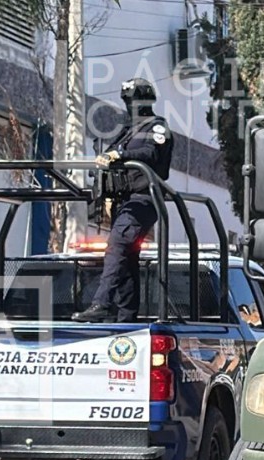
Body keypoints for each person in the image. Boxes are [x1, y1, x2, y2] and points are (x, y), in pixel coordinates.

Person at [73, 78, 174, 323]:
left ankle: (101, 303)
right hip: (124, 203)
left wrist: (121, 154)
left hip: (143, 201)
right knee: (127, 261)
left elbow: (150, 154)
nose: (131, 105)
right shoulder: (126, 132)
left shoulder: (157, 128)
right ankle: (126, 317)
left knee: (117, 247)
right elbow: (110, 160)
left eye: (135, 99)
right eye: (128, 100)